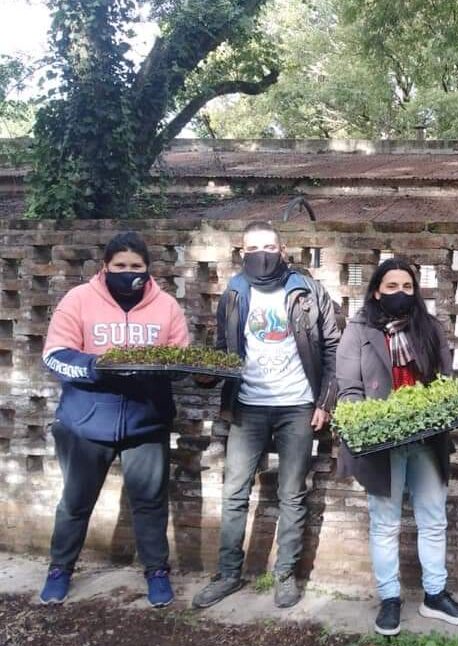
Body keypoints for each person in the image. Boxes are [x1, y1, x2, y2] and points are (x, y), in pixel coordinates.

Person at [192, 223, 340, 610]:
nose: (262, 254)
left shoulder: (308, 291)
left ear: (283, 249)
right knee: (235, 491)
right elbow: (224, 347)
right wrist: (206, 373)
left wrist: (324, 401)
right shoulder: (235, 293)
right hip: (247, 406)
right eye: (254, 247)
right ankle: (227, 574)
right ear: (242, 252)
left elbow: (331, 348)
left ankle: (286, 575)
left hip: (297, 406)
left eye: (270, 246)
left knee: (293, 493)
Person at [40, 231, 190, 607]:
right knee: (75, 502)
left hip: (146, 421)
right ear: (105, 267)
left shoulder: (166, 306)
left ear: (147, 269)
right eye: (120, 266)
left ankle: (156, 572)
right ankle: (60, 569)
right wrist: (98, 368)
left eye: (135, 266)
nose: (128, 272)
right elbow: (55, 354)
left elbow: (179, 357)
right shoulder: (78, 300)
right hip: (86, 421)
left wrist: (170, 369)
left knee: (150, 502)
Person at [336, 258, 458, 636]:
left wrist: (437, 411)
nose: (400, 293)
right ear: (376, 290)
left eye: (407, 287)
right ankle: (390, 599)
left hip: (426, 441)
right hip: (381, 444)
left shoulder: (428, 327)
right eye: (392, 286)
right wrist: (368, 423)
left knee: (433, 519)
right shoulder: (358, 331)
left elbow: (445, 379)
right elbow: (349, 389)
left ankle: (435, 595)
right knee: (385, 524)